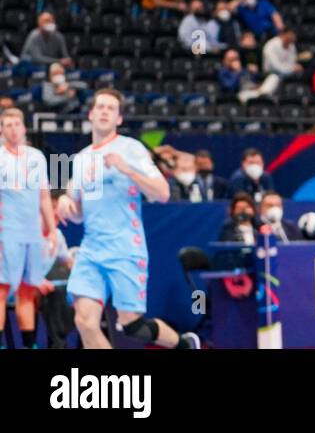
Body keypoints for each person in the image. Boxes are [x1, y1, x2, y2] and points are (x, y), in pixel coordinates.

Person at [55, 89, 198, 349]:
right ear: (90, 114)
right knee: (85, 320)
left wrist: (126, 169)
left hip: (125, 248)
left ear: (119, 119)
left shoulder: (131, 149)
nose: (105, 111)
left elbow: (163, 194)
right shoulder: (82, 158)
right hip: (91, 250)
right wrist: (67, 203)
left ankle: (184, 345)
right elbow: (77, 214)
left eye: (111, 108)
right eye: (100, 107)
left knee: (133, 325)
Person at [0, 107, 58, 349]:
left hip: (32, 234)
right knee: (1, 290)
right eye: (8, 125)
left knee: (27, 291)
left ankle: (30, 345)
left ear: (24, 128)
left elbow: (44, 197)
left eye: (17, 124)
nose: (13, 129)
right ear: (1, 130)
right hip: (6, 232)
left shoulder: (36, 157)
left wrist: (52, 229)